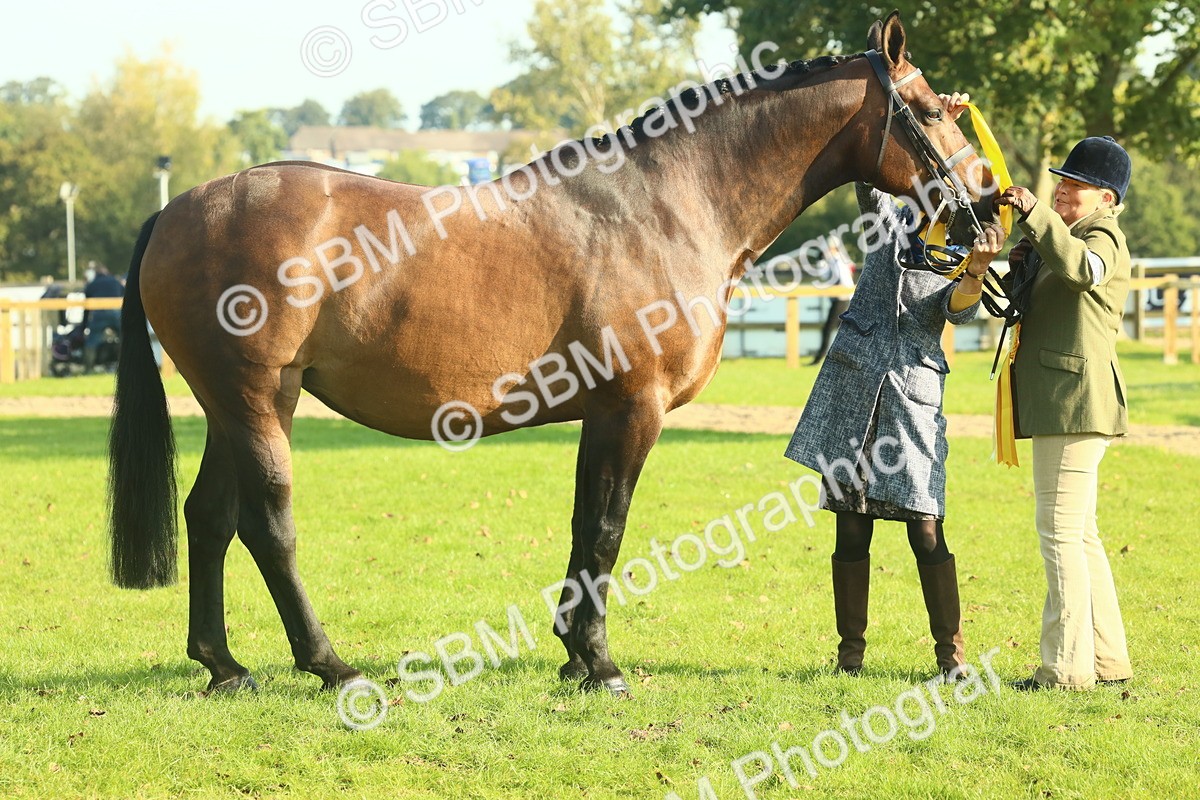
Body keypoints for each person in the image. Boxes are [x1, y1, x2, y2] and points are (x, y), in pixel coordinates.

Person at [784, 93, 1007, 680]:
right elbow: (883, 163)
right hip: (854, 390)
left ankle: (951, 660)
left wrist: (979, 269)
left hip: (912, 394)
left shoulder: (966, 243)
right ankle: (848, 658)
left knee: (925, 527)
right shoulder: (892, 219)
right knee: (850, 522)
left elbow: (959, 312)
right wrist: (941, 124)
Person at [996, 136, 1134, 691]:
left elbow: (1082, 272)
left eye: (1073, 185)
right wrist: (1020, 260)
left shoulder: (1103, 239)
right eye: (1061, 182)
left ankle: (1064, 667)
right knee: (1080, 535)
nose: (1061, 191)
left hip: (1073, 402)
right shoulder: (1068, 238)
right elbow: (1034, 296)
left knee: (1057, 533)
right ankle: (1105, 659)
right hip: (1068, 400)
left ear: (1105, 196)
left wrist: (1036, 215)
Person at [809, 237, 855, 365]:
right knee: (841, 327)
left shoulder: (838, 261)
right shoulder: (834, 260)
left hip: (841, 297)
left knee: (828, 328)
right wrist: (821, 262)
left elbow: (842, 279)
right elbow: (825, 275)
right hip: (839, 297)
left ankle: (820, 357)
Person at [82, 261, 124, 372]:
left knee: (92, 341)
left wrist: (84, 325)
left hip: (99, 314)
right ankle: (125, 367)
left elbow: (86, 306)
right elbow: (124, 294)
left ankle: (88, 369)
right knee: (125, 339)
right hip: (116, 313)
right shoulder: (115, 281)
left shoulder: (92, 284)